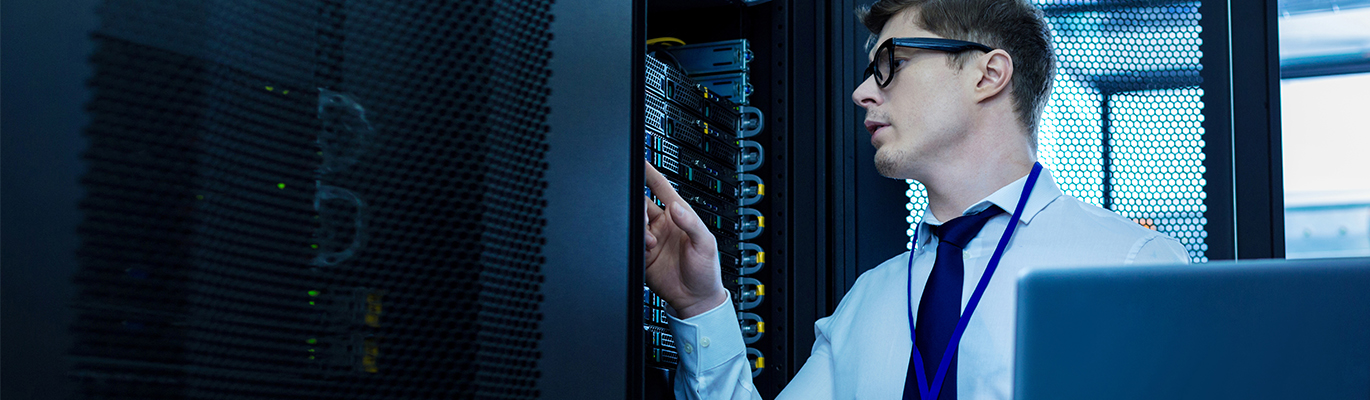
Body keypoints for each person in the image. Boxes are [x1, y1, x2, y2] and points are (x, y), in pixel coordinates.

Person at [642, 0, 1191, 398]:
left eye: (892, 64)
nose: (862, 92)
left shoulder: (1129, 266)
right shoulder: (868, 300)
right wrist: (700, 305)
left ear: (988, 73)